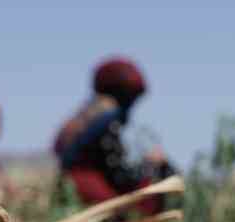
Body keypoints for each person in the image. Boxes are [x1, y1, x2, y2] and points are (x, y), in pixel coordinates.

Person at [54, 58, 173, 211]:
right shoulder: (106, 117)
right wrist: (151, 166)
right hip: (93, 195)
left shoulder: (85, 115)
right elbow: (119, 173)